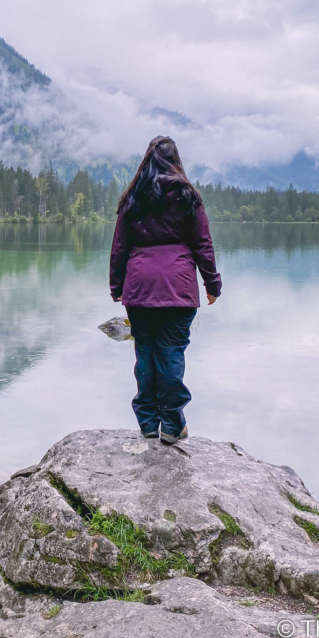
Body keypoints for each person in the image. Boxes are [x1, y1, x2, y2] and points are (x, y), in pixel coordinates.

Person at [109, 136, 221, 445]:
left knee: (145, 352)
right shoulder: (188, 196)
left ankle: (147, 422)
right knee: (171, 354)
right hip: (179, 288)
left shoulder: (132, 198)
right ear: (176, 160)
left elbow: (119, 247)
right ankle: (172, 425)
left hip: (141, 287)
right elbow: (203, 246)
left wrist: (116, 286)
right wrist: (212, 284)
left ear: (147, 159)